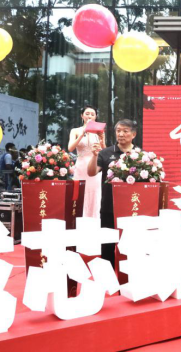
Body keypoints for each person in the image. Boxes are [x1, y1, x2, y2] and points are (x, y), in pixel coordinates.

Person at [88, 119, 137, 270]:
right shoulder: (105, 153)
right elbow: (91, 172)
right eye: (118, 131)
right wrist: (94, 155)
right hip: (109, 206)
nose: (121, 134)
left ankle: (128, 275)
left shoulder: (140, 155)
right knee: (107, 245)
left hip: (131, 209)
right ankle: (107, 275)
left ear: (133, 134)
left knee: (130, 246)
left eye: (125, 131)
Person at [68, 106, 106, 218]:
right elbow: (70, 148)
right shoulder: (75, 131)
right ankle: (79, 218)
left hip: (95, 166)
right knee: (80, 192)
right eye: (87, 113)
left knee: (94, 193)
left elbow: (104, 151)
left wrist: (102, 140)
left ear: (95, 117)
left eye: (92, 114)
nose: (90, 116)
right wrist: (82, 134)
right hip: (81, 166)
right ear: (82, 116)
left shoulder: (99, 132)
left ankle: (94, 219)